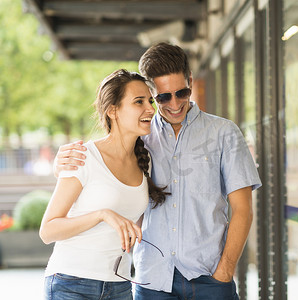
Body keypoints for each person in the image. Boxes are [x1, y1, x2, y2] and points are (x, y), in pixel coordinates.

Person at [54, 42, 262, 299]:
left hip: (210, 279)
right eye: (163, 97)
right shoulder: (140, 134)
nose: (175, 104)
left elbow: (243, 210)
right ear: (151, 94)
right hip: (153, 281)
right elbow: (104, 163)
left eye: (182, 92)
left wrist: (224, 272)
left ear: (190, 82)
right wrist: (61, 166)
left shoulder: (224, 134)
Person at [40, 69, 168, 300]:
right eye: (139, 102)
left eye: (150, 101)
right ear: (113, 110)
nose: (150, 108)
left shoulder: (144, 161)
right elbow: (48, 230)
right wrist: (102, 214)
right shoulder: (84, 156)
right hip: (71, 283)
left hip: (119, 286)